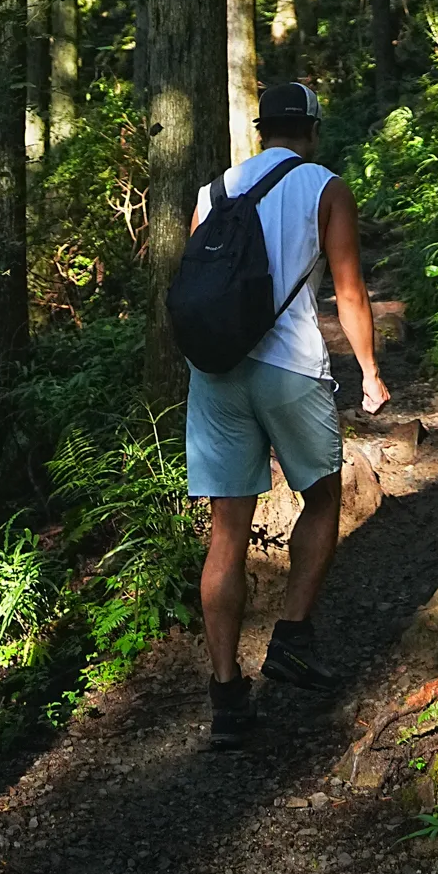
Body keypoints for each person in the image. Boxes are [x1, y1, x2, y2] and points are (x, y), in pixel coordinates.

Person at [185, 78, 390, 750]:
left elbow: (195, 284)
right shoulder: (325, 186)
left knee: (226, 531)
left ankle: (225, 698)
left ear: (261, 130)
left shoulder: (213, 192)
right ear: (312, 129)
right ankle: (293, 639)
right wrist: (370, 372)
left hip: (214, 371)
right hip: (291, 366)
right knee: (324, 498)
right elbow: (349, 290)